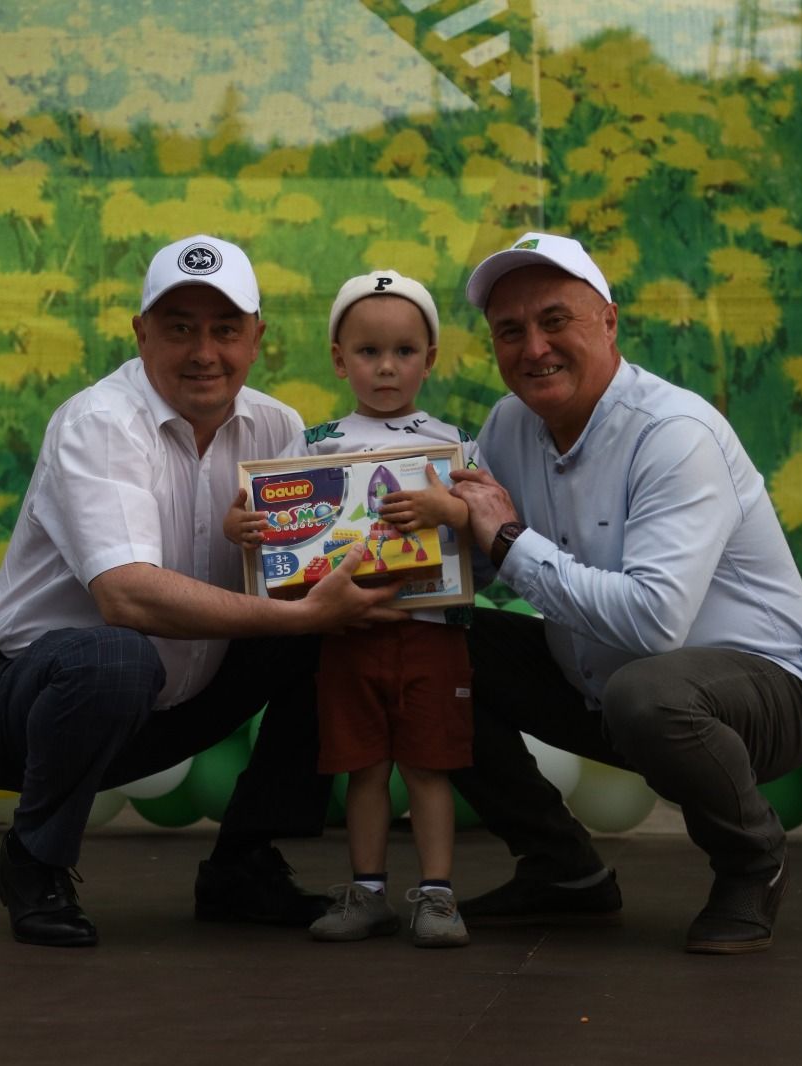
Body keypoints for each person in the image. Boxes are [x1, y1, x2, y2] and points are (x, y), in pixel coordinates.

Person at [0, 234, 403, 948]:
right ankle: (33, 861)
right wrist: (303, 616)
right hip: (19, 711)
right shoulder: (99, 422)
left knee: (336, 629)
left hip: (177, 699)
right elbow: (126, 598)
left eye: (225, 330)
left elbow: (306, 573)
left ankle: (244, 866)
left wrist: (437, 516)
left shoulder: (278, 427)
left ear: (258, 339)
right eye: (180, 329)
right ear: (141, 334)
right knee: (118, 654)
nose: (204, 353)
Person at [445, 232, 802, 955]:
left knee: (647, 692)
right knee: (433, 650)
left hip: (762, 692)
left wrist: (505, 538)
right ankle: (562, 869)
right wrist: (353, 546)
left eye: (554, 321)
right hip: (600, 684)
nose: (534, 348)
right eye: (510, 331)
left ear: (609, 322)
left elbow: (655, 623)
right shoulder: (508, 424)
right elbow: (478, 560)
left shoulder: (675, 434)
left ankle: (753, 863)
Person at [224, 271, 478, 948]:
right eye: (368, 352)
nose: (386, 367)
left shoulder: (456, 444)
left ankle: (438, 896)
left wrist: (451, 509)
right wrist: (240, 529)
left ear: (431, 358)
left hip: (432, 632)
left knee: (428, 766)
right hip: (346, 636)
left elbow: (486, 525)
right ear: (340, 360)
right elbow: (272, 521)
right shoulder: (316, 442)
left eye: (404, 351)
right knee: (363, 767)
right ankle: (367, 893)